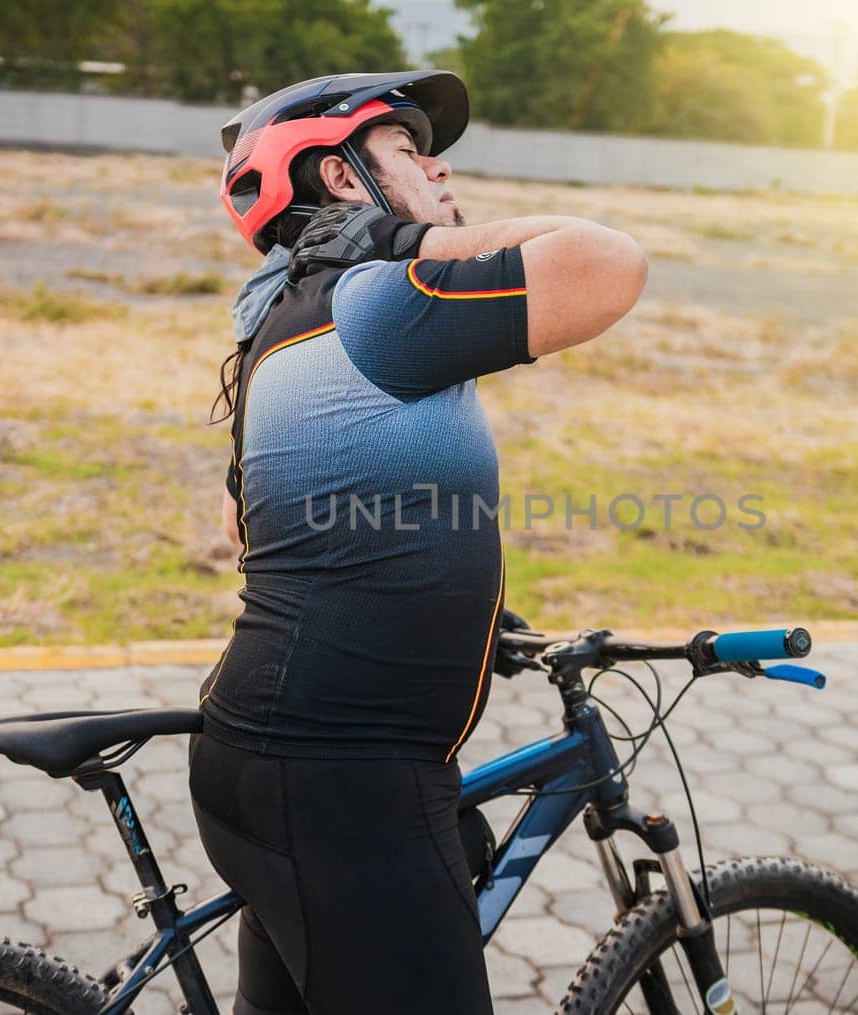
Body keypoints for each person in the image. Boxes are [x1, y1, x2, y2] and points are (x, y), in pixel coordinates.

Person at [189, 70, 647, 1014]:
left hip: (285, 760)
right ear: (345, 181)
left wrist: (484, 618)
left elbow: (282, 530)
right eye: (406, 150)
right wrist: (413, 242)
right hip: (341, 779)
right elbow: (607, 262)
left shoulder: (283, 321)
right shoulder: (377, 302)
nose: (437, 164)